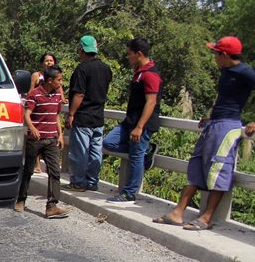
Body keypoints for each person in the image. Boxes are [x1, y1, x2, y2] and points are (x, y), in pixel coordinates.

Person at [154, 36, 255, 230]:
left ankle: (206, 218)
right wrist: (211, 116)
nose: (214, 57)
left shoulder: (245, 72)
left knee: (218, 169)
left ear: (224, 54)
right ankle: (177, 213)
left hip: (228, 126)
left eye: (215, 53)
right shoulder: (226, 72)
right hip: (214, 124)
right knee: (197, 165)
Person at [103, 38, 161, 205]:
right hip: (130, 121)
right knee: (109, 142)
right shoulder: (139, 71)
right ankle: (147, 149)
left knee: (136, 157)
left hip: (141, 124)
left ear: (139, 54)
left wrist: (140, 126)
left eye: (129, 55)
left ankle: (129, 193)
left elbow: (151, 102)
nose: (128, 58)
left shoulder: (150, 74)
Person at [15, 65, 69, 219]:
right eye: (59, 80)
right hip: (36, 140)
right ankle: (21, 199)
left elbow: (56, 116)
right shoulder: (35, 95)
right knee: (28, 170)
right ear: (50, 80)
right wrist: (32, 127)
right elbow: (27, 114)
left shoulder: (57, 95)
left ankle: (52, 206)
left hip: (51, 139)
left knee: (54, 172)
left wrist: (60, 135)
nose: (61, 83)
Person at [66, 37, 112, 191]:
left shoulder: (82, 69)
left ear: (81, 49)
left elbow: (79, 94)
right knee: (95, 152)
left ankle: (78, 182)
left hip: (83, 116)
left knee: (80, 152)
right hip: (98, 117)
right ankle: (92, 182)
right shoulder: (106, 69)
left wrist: (71, 114)